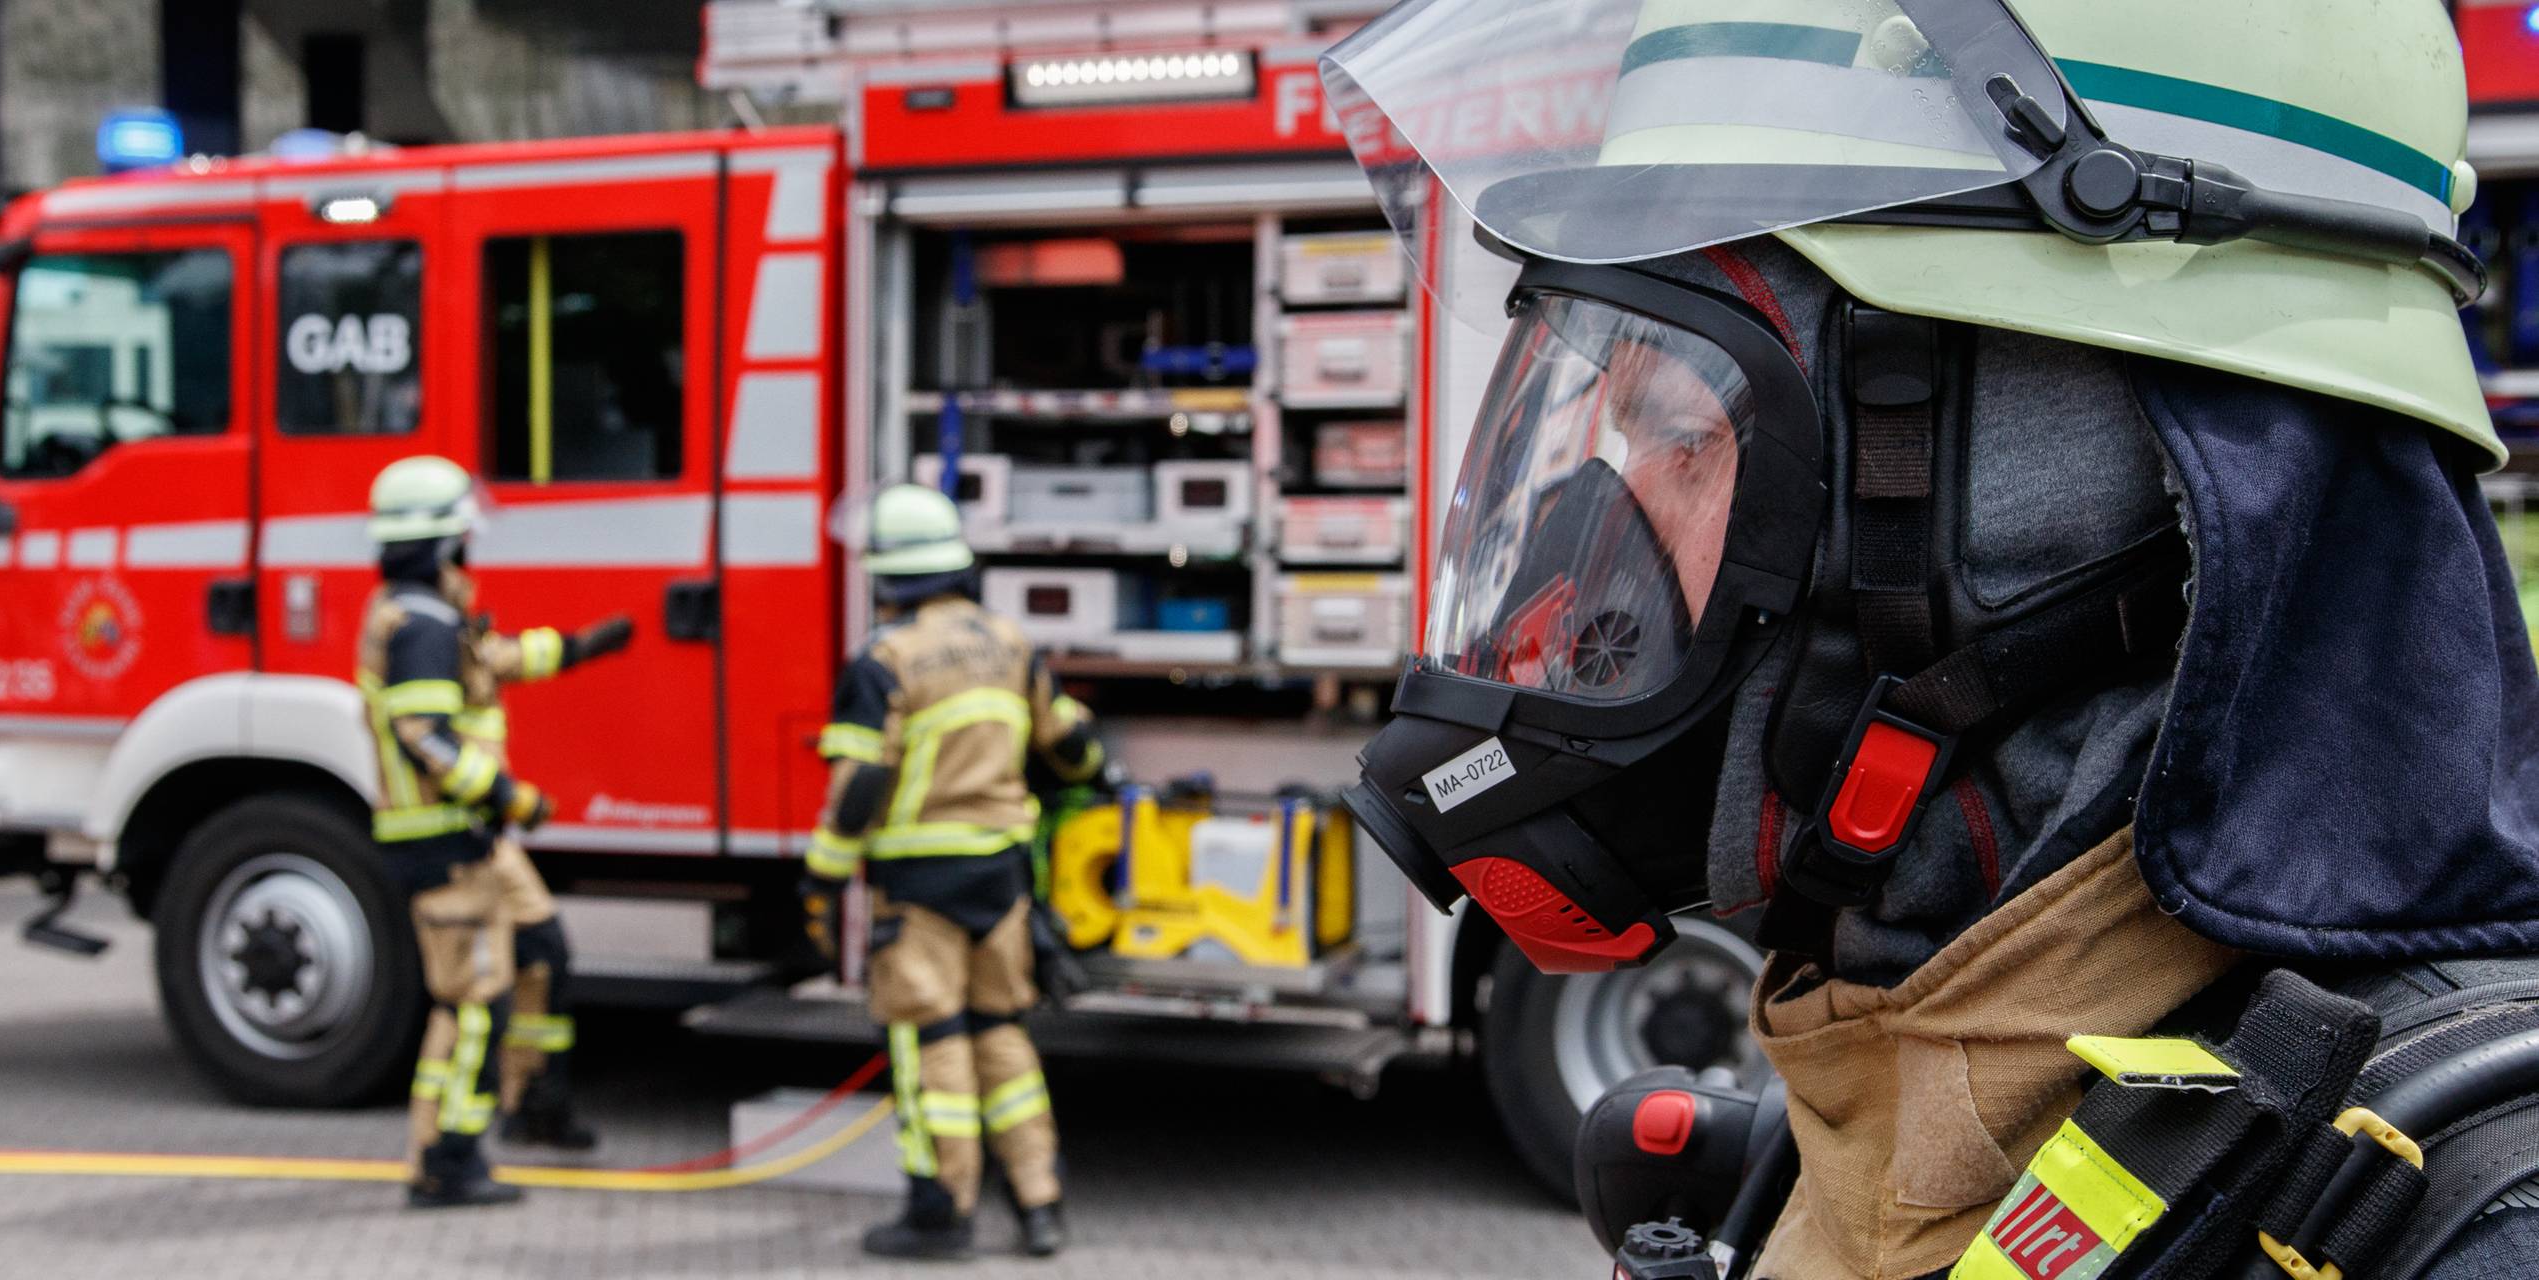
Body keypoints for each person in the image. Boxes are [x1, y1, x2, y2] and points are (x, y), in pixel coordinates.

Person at [1323, 1, 2539, 1276]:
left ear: (2038, 503)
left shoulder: (2443, 1218)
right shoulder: (1870, 1086)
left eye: (1681, 432)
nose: (1588, 560)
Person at [799, 483, 1103, 1261]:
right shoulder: (1011, 643)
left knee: (929, 1040)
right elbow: (1072, 751)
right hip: (1001, 875)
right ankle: (1040, 1203)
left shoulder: (882, 659)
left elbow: (860, 787)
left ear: (888, 576)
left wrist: (823, 879)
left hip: (919, 879)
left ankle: (941, 1214)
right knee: (1002, 1033)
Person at [356, 455, 630, 1208]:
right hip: (449, 840)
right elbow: (425, 735)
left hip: (472, 839)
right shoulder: (418, 627)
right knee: (474, 1004)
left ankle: (537, 1104)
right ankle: (446, 1160)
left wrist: (585, 646)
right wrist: (509, 797)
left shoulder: (432, 617)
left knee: (542, 950)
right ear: (444, 545)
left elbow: (495, 661)